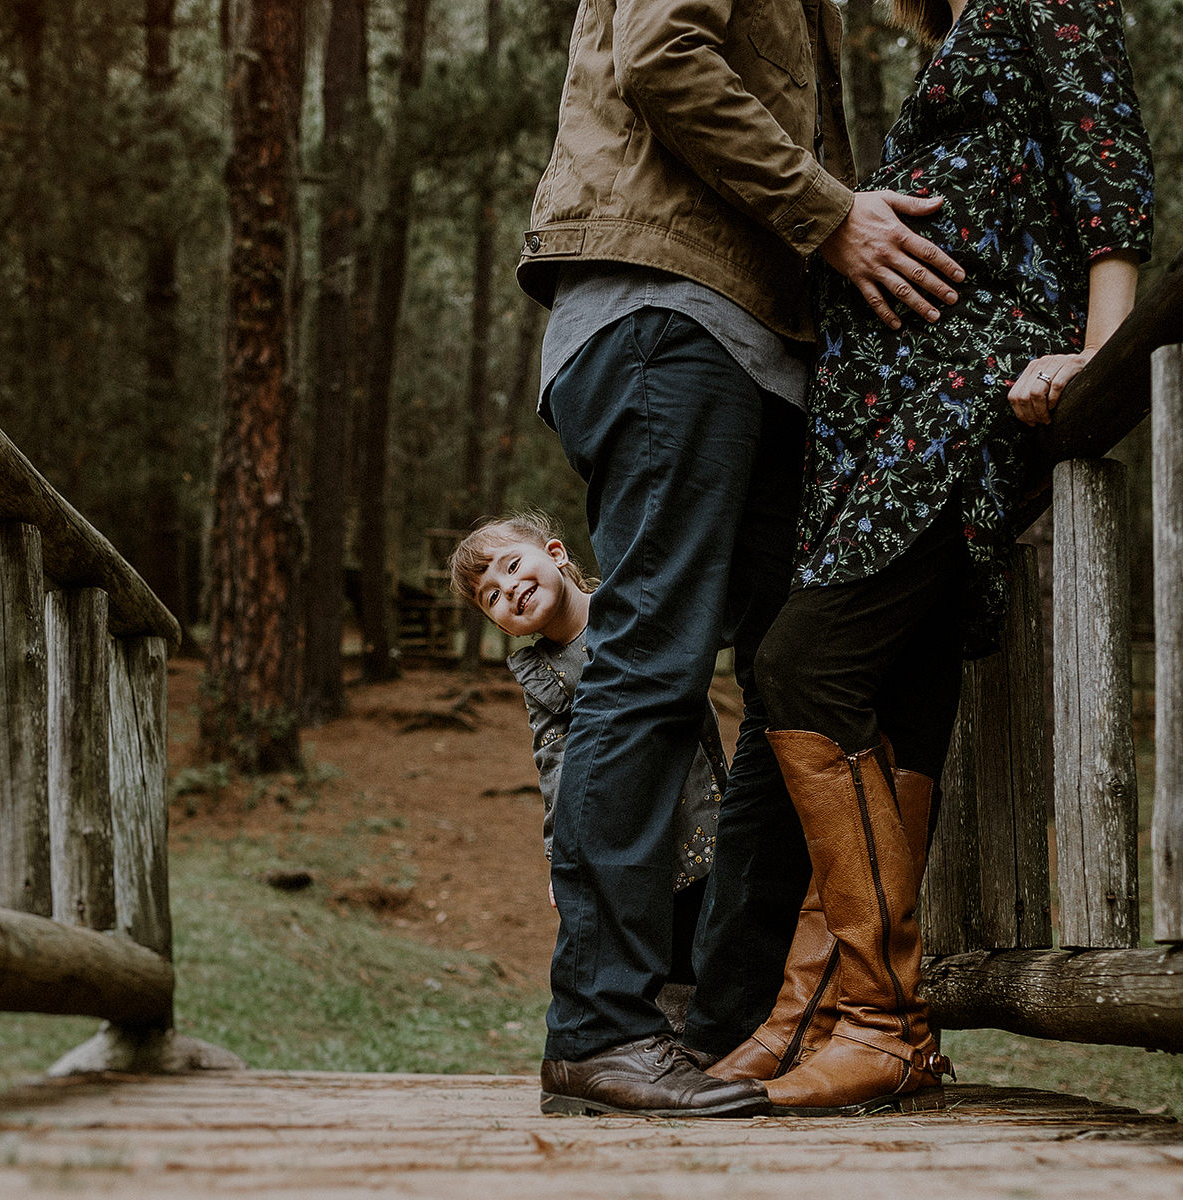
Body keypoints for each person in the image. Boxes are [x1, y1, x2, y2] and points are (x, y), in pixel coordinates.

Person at [516, 1, 966, 1117]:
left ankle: (724, 1029)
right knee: (651, 661)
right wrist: (834, 216)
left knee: (791, 677)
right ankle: (599, 1030)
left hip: (754, 340)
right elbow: (662, 51)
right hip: (666, 313)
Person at [709, 0, 1152, 1116]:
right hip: (883, 414)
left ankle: (881, 1021)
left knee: (801, 666)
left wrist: (1095, 359)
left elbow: (1109, 174)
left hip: (958, 394)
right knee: (897, 705)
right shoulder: (955, 29)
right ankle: (814, 1014)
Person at [447, 514, 727, 1032]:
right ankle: (676, 1043)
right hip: (633, 833)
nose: (510, 589)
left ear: (555, 554)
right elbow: (555, 767)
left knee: (724, 923)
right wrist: (563, 858)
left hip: (701, 797)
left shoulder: (631, 609)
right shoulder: (543, 676)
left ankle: (738, 1032)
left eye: (513, 565)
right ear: (499, 624)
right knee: (665, 941)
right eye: (492, 597)